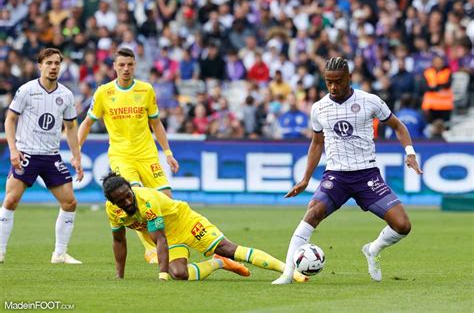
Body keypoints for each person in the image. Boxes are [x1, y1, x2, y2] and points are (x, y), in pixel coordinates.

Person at [272, 57, 423, 285]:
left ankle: (372, 249)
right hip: (337, 176)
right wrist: (305, 179)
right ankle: (287, 274)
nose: (333, 87)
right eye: (328, 82)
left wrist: (410, 152)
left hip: (367, 176)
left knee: (403, 225)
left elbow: (398, 126)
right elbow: (316, 143)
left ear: (349, 77)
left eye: (338, 81)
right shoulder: (319, 108)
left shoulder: (370, 101)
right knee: (312, 213)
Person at [101, 172, 309, 282]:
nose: (127, 202)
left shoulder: (146, 200)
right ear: (112, 202)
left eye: (128, 195)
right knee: (180, 274)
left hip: (185, 222)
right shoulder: (112, 211)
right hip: (169, 237)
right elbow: (118, 240)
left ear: (130, 189)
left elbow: (160, 239)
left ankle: (289, 270)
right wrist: (120, 274)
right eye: (120, 201)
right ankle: (219, 264)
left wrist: (162, 275)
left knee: (229, 249)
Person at [77, 48, 179, 264]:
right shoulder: (104, 93)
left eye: (130, 65)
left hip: (148, 155)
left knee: (168, 201)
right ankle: (150, 248)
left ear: (135, 66)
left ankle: (172, 246)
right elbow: (86, 123)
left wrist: (168, 153)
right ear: (114, 66)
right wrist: (76, 154)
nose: (125, 69)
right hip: (121, 156)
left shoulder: (146, 90)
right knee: (136, 198)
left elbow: (156, 123)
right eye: (121, 65)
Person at [0, 48, 84, 264]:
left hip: (51, 157)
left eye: (57, 63)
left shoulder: (65, 94)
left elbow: (71, 126)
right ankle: (0, 250)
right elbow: (10, 120)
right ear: (40, 66)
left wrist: (76, 157)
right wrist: (13, 149)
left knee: (70, 202)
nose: (54, 67)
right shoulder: (27, 90)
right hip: (27, 153)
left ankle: (59, 253)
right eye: (49, 63)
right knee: (10, 200)